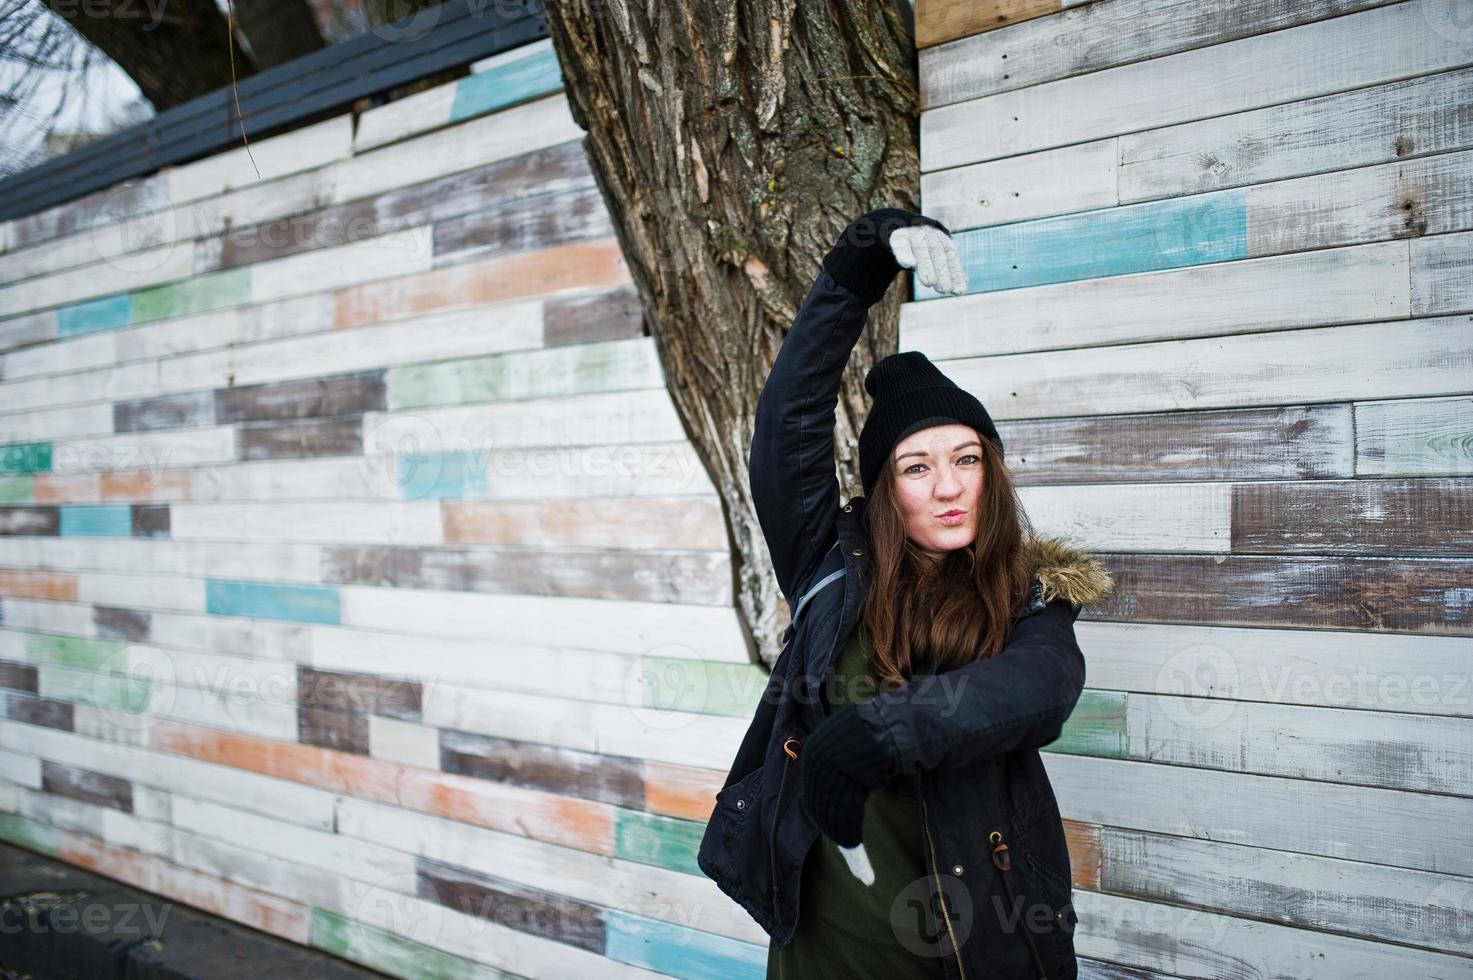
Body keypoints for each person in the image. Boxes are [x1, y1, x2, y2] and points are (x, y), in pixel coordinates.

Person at [696, 207, 1115, 980]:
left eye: (966, 458)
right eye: (917, 467)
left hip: (976, 942)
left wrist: (881, 735)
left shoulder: (1031, 592)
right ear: (886, 487)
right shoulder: (829, 565)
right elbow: (786, 422)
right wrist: (857, 266)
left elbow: (1041, 686)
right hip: (829, 940)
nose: (949, 487)